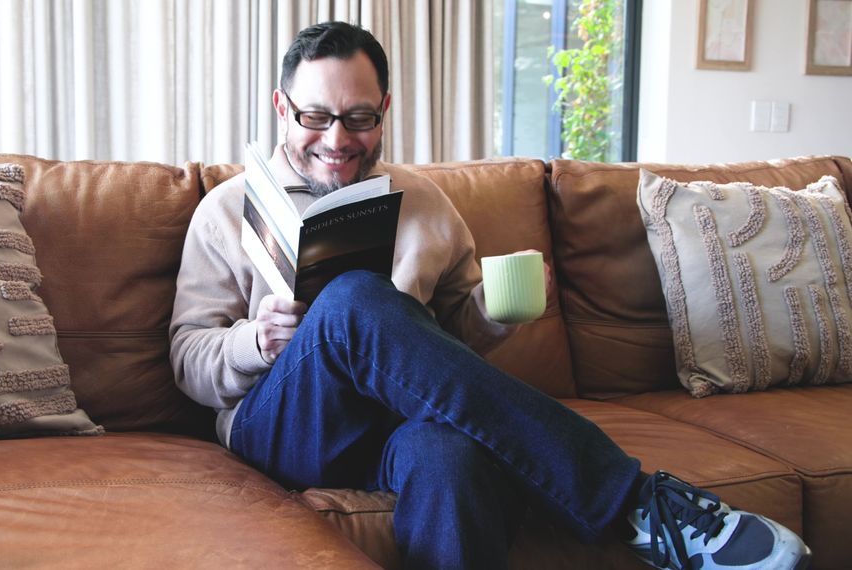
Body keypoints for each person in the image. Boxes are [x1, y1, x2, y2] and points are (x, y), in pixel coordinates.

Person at [169, 21, 811, 570]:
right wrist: (256, 342)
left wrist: (493, 312)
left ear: (384, 110)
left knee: (451, 457)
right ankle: (634, 502)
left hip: (400, 426)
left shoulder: (424, 203)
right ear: (282, 108)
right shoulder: (229, 209)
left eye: (359, 118)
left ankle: (639, 509)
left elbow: (450, 346)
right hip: (284, 426)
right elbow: (186, 356)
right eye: (315, 117)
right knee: (354, 299)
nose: (337, 140)